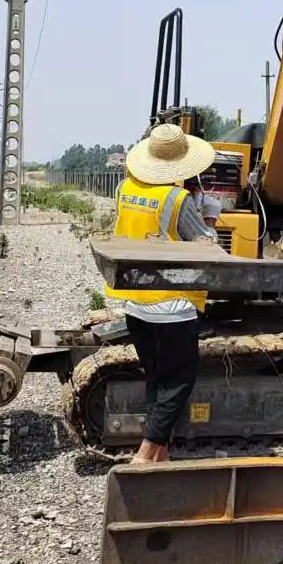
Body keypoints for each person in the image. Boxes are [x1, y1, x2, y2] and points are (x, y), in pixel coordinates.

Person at [103, 123, 221, 464]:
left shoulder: (125, 189)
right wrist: (210, 217)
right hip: (173, 304)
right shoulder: (177, 198)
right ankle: (144, 454)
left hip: (135, 300)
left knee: (156, 376)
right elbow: (206, 249)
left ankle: (161, 454)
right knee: (179, 380)